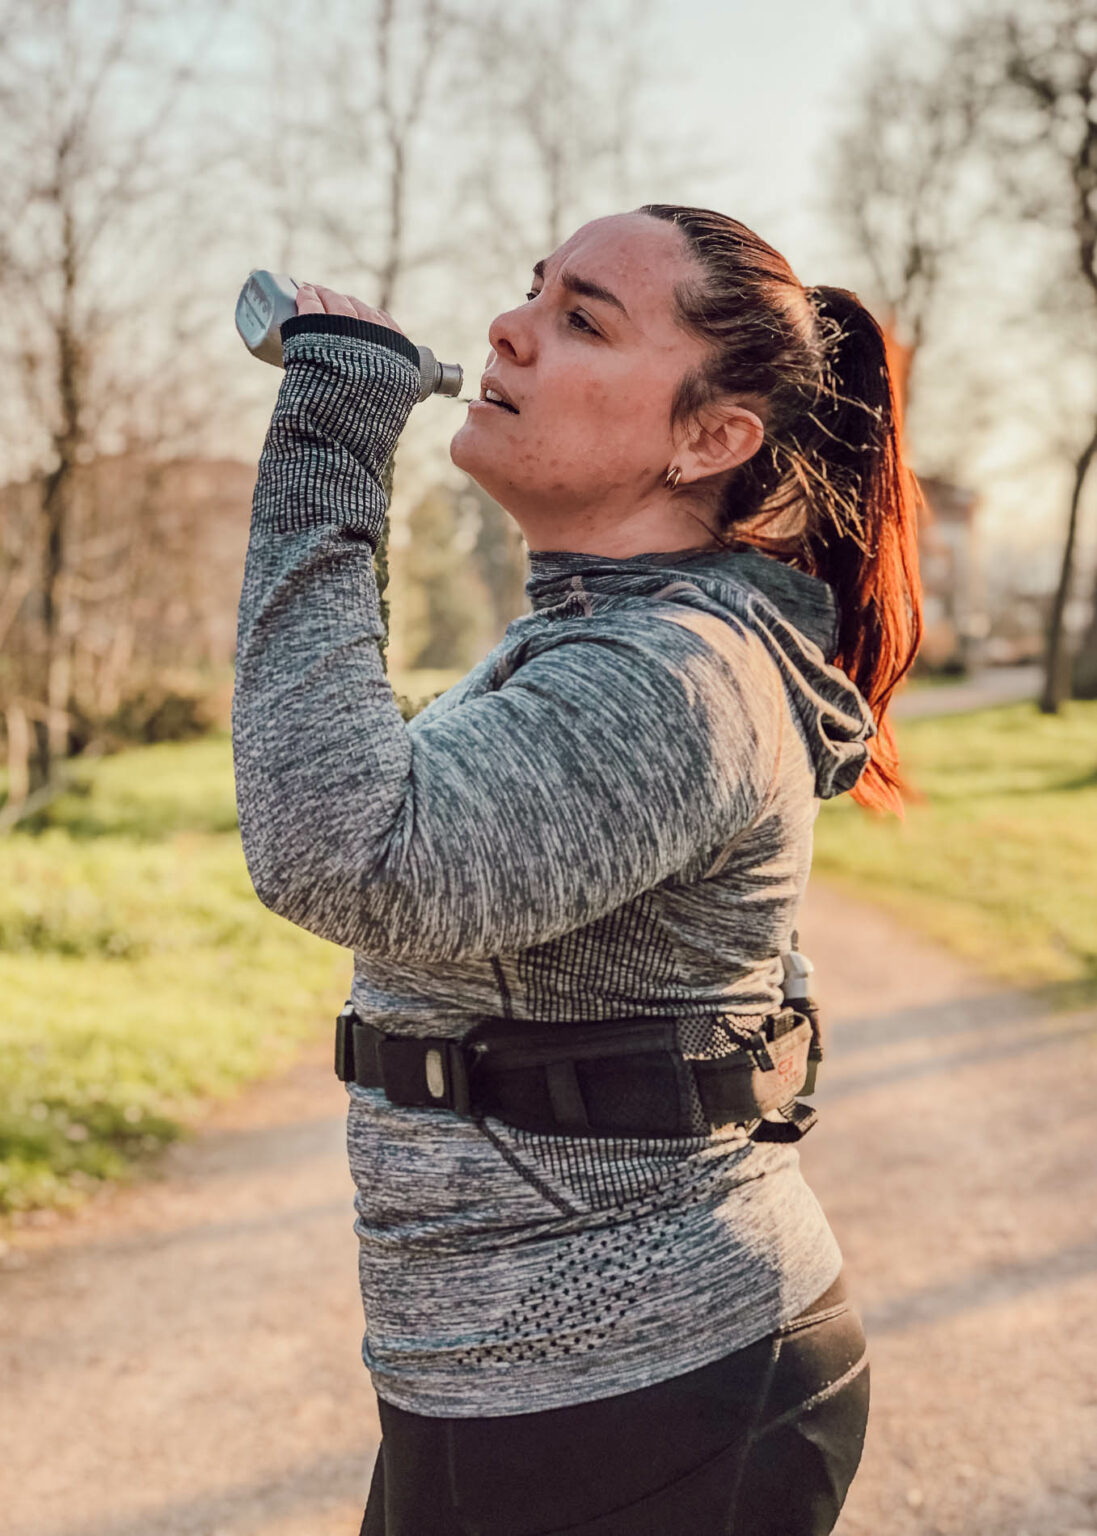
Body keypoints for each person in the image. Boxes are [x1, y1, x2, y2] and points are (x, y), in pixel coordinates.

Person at [232, 205, 922, 1535]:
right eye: (531, 293)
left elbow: (339, 850)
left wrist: (326, 434)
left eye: (580, 319)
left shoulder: (675, 680)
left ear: (710, 438)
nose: (509, 330)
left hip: (651, 1389)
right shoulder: (587, 639)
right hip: (509, 1374)